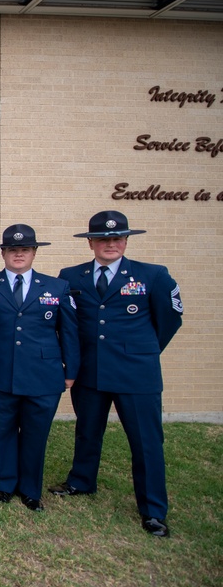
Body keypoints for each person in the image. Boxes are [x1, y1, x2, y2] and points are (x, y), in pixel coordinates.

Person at [48, 211, 183, 538]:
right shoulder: (71, 277)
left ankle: (153, 511)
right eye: (104, 239)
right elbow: (67, 324)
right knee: (87, 431)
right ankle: (81, 481)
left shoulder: (153, 275)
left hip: (137, 374)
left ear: (125, 241)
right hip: (90, 371)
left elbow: (169, 320)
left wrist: (142, 351)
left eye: (118, 238)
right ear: (92, 242)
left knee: (146, 442)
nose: (111, 243)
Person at [0, 224, 79, 511]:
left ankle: (30, 490)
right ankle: (4, 485)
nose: (18, 254)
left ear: (34, 252)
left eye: (24, 249)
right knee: (3, 432)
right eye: (12, 249)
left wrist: (71, 372)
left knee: (36, 435)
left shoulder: (56, 287)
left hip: (44, 376)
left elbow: (70, 332)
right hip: (1, 374)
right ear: (4, 254)